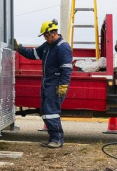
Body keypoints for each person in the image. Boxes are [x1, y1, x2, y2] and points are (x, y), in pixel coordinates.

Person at [13, 19, 73, 148]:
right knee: (46, 111)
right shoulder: (47, 46)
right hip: (47, 82)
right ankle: (54, 138)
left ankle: (56, 140)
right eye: (44, 36)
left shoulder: (63, 47)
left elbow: (67, 68)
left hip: (56, 84)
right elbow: (33, 54)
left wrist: (63, 85)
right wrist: (20, 48)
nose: (45, 38)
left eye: (46, 35)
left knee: (51, 111)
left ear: (53, 32)